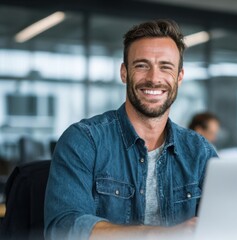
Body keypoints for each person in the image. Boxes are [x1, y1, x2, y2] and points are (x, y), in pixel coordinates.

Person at [44, 19, 218, 240]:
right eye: (142, 65)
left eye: (165, 67)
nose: (154, 79)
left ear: (179, 77)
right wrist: (162, 234)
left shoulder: (200, 152)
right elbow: (64, 228)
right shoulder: (84, 140)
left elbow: (227, 224)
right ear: (124, 72)